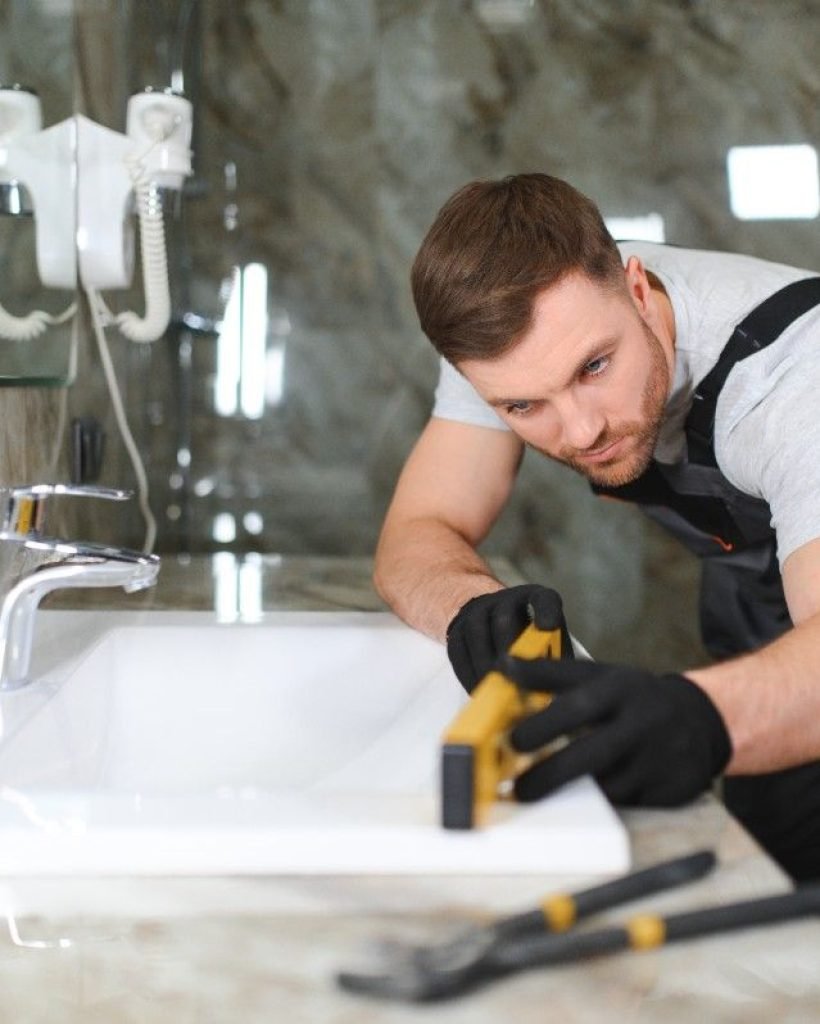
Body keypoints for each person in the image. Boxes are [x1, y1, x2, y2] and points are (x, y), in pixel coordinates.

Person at [373, 172, 820, 882]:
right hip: (762, 597)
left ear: (638, 290)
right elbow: (421, 526)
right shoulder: (513, 338)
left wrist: (700, 716)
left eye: (596, 367)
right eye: (523, 408)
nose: (581, 431)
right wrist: (468, 608)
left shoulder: (792, 388)